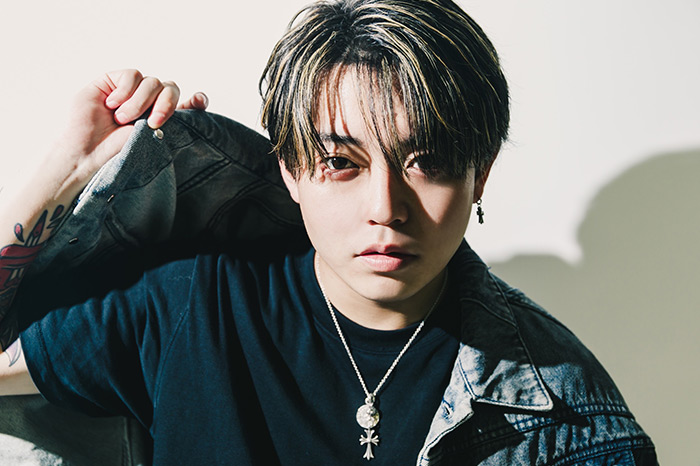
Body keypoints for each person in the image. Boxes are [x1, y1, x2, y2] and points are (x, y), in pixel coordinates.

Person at [0, 0, 657, 464]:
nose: (386, 208)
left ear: (479, 176)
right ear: (290, 171)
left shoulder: (571, 419)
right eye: (342, 163)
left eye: (426, 162)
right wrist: (69, 168)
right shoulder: (195, 303)